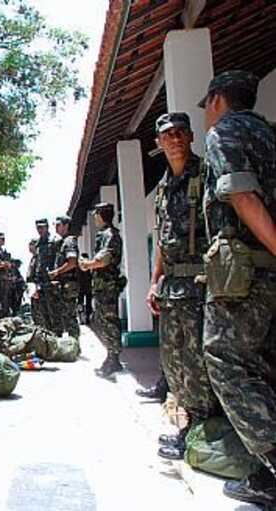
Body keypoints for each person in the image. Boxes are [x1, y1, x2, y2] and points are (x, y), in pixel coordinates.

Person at [197, 70, 276, 506]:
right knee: (264, 365)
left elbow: (242, 195)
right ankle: (265, 475)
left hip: (244, 274)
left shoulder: (224, 133)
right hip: (266, 273)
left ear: (216, 100)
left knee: (225, 363)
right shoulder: (269, 133)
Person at [144, 112, 219, 460]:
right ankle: (190, 428)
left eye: (179, 133)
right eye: (166, 135)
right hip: (173, 287)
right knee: (174, 363)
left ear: (190, 137)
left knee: (198, 363)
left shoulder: (205, 174)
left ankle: (204, 433)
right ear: (158, 143)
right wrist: (154, 281)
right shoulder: (163, 186)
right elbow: (162, 239)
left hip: (200, 284)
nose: (173, 139)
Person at [79, 202, 124, 377]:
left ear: (101, 215)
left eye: (96, 214)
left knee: (110, 321)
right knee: (103, 321)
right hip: (101, 286)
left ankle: (114, 358)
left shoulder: (111, 235)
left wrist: (87, 264)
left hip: (108, 286)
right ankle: (111, 357)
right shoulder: (103, 234)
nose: (94, 217)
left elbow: (104, 259)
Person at [49, 215, 80, 339]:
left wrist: (56, 272)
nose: (56, 228)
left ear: (66, 225)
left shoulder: (69, 241)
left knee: (70, 317)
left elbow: (72, 262)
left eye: (59, 225)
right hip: (64, 285)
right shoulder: (62, 242)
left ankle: (74, 344)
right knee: (64, 316)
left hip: (69, 285)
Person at [32, 219, 59, 333]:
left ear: (48, 227)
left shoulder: (54, 241)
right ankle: (49, 341)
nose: (40, 230)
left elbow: (59, 261)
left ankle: (58, 340)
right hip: (41, 284)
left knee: (55, 314)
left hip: (52, 283)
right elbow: (38, 264)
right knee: (44, 315)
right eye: (38, 227)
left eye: (42, 227)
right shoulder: (38, 244)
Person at [76, 252, 93, 325]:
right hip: (87, 287)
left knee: (80, 303)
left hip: (80, 287)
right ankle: (87, 318)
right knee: (87, 303)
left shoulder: (80, 266)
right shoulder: (87, 266)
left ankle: (81, 318)